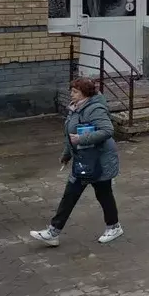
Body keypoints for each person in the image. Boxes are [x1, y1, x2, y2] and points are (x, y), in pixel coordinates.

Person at [30, 77, 123, 246]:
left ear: (85, 94)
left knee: (102, 194)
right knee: (72, 195)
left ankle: (114, 227)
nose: (71, 94)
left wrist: (81, 139)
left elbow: (107, 130)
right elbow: (70, 135)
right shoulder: (76, 108)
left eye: (75, 91)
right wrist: (66, 155)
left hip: (99, 162)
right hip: (84, 160)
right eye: (71, 91)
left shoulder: (94, 109)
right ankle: (54, 232)